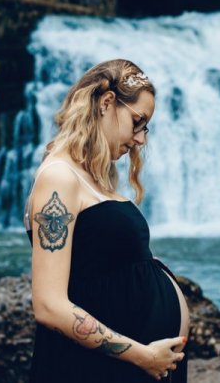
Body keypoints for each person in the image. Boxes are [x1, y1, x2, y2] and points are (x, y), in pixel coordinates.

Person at [23, 59, 191, 382]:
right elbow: (48, 304)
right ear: (107, 103)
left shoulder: (89, 177)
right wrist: (142, 356)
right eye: (137, 122)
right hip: (96, 369)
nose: (140, 139)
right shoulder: (59, 177)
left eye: (146, 128)